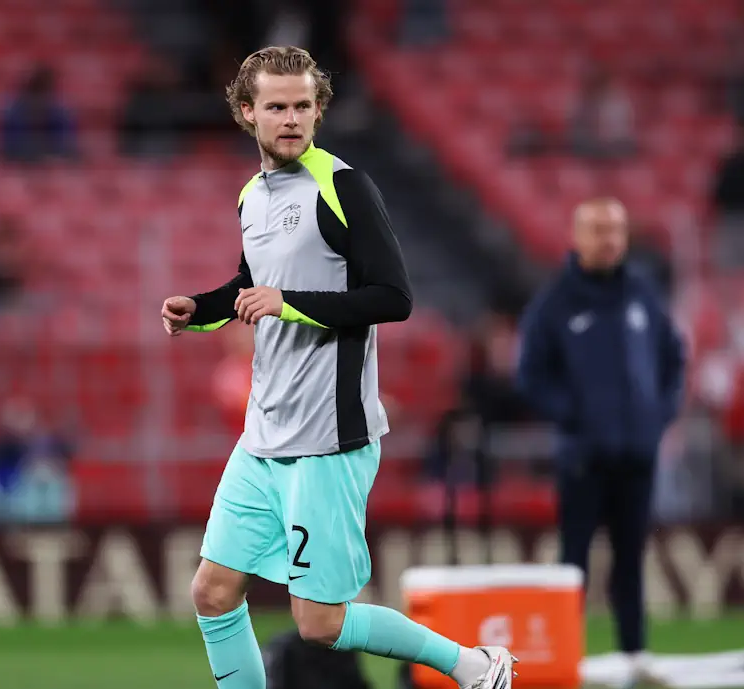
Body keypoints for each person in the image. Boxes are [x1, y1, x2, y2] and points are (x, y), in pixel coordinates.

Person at [159, 46, 516, 689]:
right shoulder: (252, 197)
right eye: (276, 107)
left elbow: (393, 298)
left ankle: (474, 666)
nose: (291, 118)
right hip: (264, 433)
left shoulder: (344, 185)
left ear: (319, 111)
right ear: (248, 113)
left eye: (303, 106)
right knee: (212, 592)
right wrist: (201, 310)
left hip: (327, 436)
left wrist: (289, 305)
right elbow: (252, 286)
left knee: (319, 623)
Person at [514, 198, 685, 688]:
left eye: (616, 229)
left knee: (632, 559)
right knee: (574, 563)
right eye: (598, 229)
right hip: (583, 459)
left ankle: (635, 654)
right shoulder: (556, 302)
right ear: (577, 237)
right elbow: (530, 375)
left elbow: (674, 358)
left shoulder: (643, 294)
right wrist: (573, 417)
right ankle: (568, 656)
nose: (609, 239)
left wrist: (660, 414)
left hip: (637, 452)